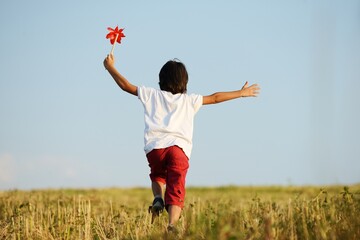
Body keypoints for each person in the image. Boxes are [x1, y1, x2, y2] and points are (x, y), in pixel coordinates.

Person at [103, 54, 260, 231]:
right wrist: (241, 93)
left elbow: (126, 86)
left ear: (161, 80)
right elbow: (215, 97)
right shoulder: (189, 100)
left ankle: (158, 198)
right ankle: (172, 224)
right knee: (176, 185)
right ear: (185, 82)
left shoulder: (151, 95)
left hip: (155, 149)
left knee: (157, 175)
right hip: (179, 149)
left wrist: (110, 67)